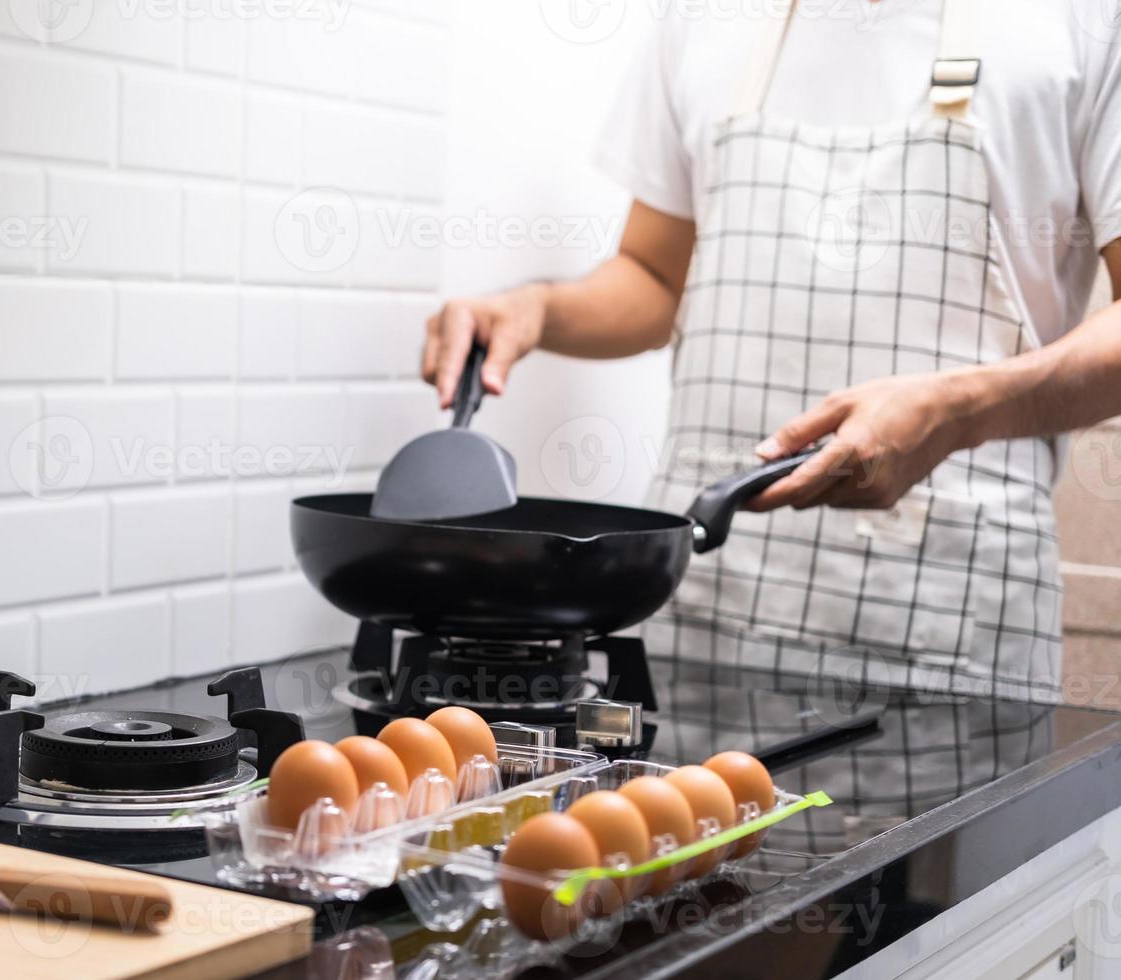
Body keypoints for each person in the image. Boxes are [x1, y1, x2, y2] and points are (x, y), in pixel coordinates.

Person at [421, 0, 1121, 703]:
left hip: (957, 624)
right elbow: (655, 276)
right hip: (701, 607)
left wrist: (958, 410)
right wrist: (536, 309)